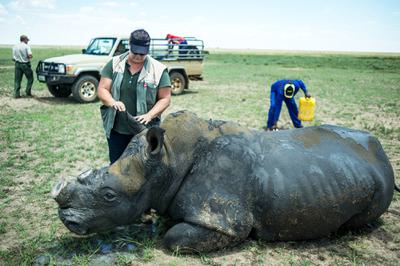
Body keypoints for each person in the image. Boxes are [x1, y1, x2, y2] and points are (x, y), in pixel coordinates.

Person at [98, 29, 172, 164]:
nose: (138, 56)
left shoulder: (159, 69)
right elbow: (102, 89)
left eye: (142, 53)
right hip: (117, 130)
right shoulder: (114, 64)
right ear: (129, 46)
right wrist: (112, 102)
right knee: (117, 166)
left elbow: (165, 98)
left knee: (145, 167)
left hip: (145, 131)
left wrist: (149, 115)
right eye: (135, 52)